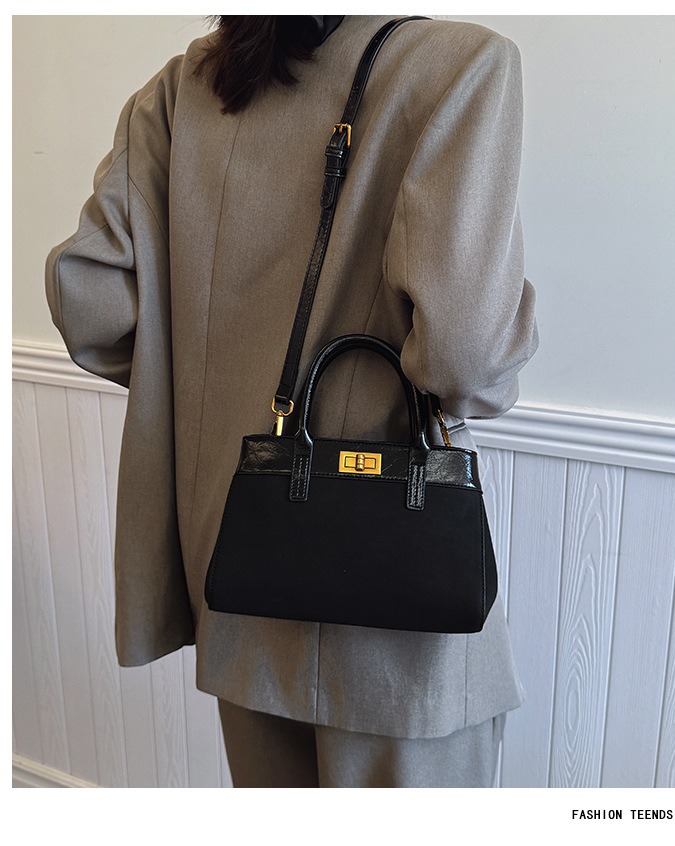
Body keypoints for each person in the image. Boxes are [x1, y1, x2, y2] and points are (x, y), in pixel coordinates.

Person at [45, 15, 538, 788]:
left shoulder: (186, 90)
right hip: (395, 612)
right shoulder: (460, 66)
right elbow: (467, 356)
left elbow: (90, 301)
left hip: (242, 573)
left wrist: (208, 376)